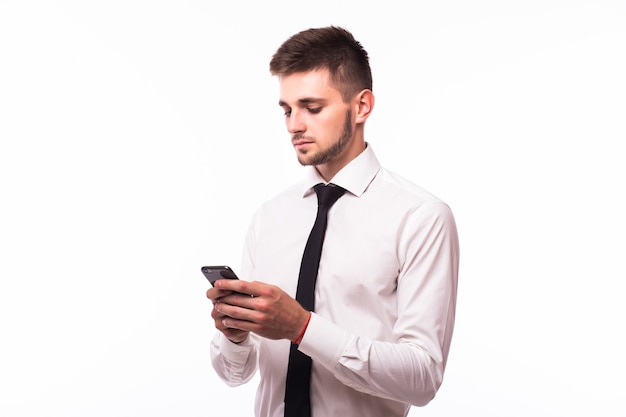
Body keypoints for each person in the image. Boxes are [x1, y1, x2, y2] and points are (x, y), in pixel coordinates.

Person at [206, 26, 459, 417]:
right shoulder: (270, 217)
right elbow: (235, 375)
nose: (293, 125)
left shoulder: (420, 217)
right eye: (288, 109)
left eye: (312, 107)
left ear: (361, 107)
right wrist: (236, 338)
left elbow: (423, 378)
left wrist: (303, 328)